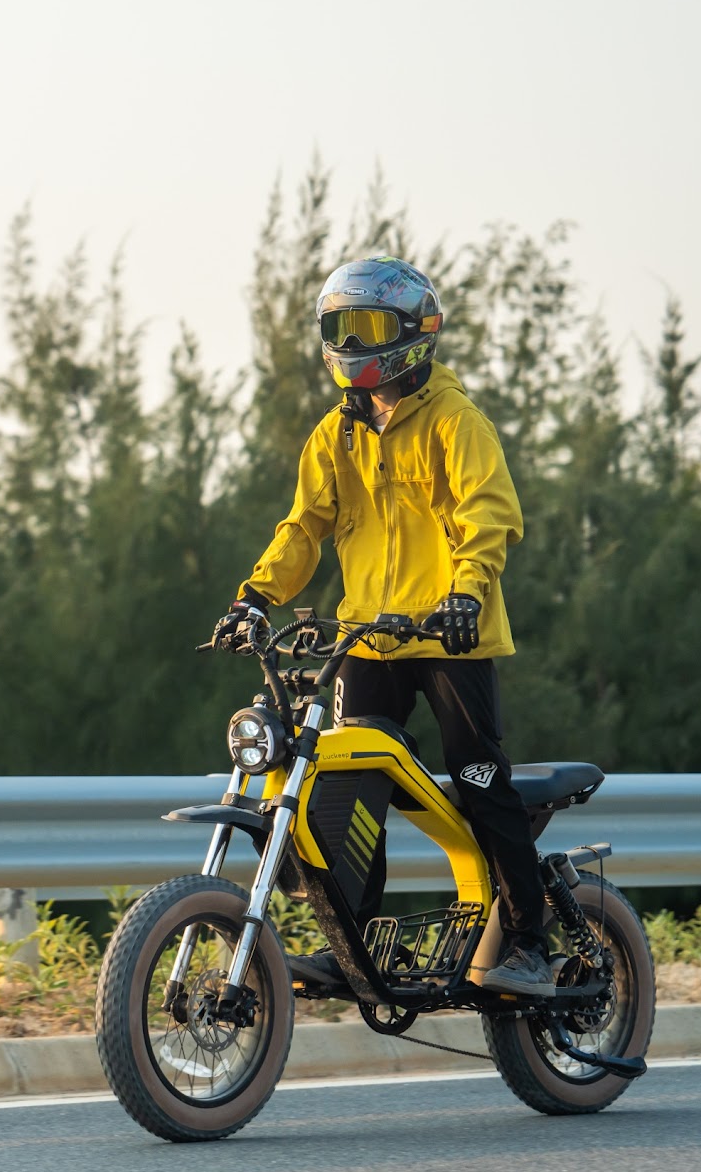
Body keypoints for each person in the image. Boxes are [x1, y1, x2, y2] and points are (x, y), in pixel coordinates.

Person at [211, 255, 553, 996]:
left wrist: (465, 594)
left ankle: (531, 937)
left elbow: (488, 516)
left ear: (413, 333)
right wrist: (255, 596)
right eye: (340, 327)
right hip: (366, 638)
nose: (350, 342)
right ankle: (355, 946)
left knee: (477, 774)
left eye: (366, 326)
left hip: (448, 634)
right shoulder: (336, 434)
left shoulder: (456, 422)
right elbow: (303, 527)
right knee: (350, 782)